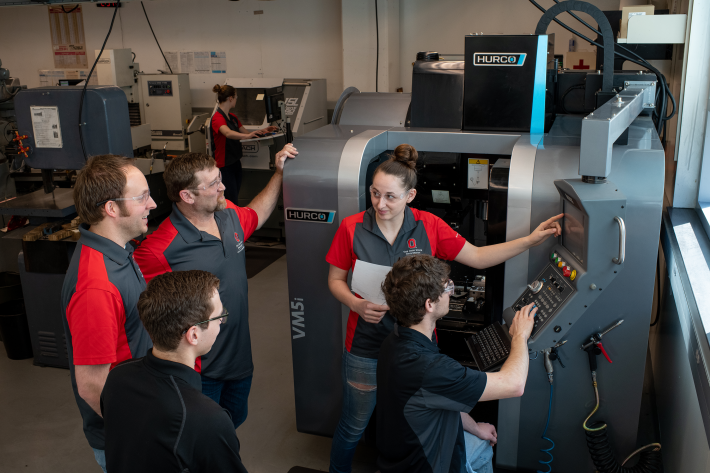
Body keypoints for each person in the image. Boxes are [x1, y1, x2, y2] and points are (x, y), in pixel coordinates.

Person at [325, 144, 561, 473]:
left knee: (418, 409)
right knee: (355, 424)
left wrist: (530, 240)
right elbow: (335, 279)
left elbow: (477, 257)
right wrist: (355, 303)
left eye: (390, 196)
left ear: (410, 196)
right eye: (375, 194)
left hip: (415, 342)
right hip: (365, 343)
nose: (380, 204)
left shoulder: (429, 226)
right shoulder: (351, 228)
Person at [133, 145, 297, 429]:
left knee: (234, 422)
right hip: (199, 371)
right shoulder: (158, 250)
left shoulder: (228, 215)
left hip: (239, 358)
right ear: (187, 195)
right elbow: (144, 317)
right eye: (213, 184)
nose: (223, 187)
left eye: (220, 178)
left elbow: (256, 214)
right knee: (201, 439)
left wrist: (279, 174)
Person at [377, 254, 536, 473]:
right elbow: (514, 384)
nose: (450, 293)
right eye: (447, 288)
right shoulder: (429, 367)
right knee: (482, 451)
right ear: (429, 304)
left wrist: (475, 428)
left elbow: (439, 396)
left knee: (480, 442)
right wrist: (520, 336)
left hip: (403, 453)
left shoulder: (395, 338)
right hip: (426, 465)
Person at [61, 154, 157, 472]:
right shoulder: (96, 287)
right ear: (112, 208)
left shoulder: (119, 250)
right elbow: (90, 385)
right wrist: (141, 430)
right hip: (129, 436)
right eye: (142, 196)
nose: (153, 204)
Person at [101, 270, 249, 473]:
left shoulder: (118, 377)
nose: (221, 324)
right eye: (219, 317)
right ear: (194, 335)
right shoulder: (207, 420)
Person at [210, 83, 279, 202]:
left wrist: (263, 131)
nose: (236, 100)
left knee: (235, 195)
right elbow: (228, 133)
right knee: (229, 199)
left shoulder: (232, 117)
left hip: (235, 162)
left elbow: (246, 133)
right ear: (230, 98)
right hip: (224, 166)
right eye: (236, 97)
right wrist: (247, 136)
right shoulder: (217, 118)